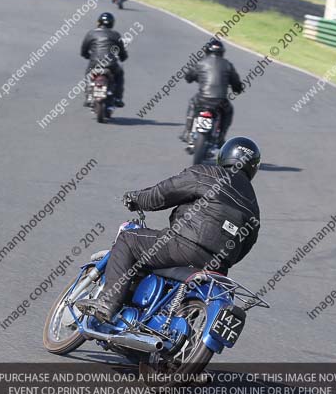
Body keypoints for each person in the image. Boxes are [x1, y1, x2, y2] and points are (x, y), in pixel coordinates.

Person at [76, 137, 262, 324]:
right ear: (254, 167)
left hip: (183, 246)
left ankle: (107, 303)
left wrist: (137, 199)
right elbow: (246, 246)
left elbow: (164, 193)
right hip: (218, 267)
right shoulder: (254, 204)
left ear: (224, 156)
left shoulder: (209, 173)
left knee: (128, 239)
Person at [181, 39, 244, 146]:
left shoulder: (201, 63)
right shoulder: (228, 64)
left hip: (202, 99)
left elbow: (189, 76)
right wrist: (237, 89)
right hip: (220, 102)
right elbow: (236, 82)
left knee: (192, 103)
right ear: (222, 52)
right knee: (229, 111)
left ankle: (187, 132)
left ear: (207, 51)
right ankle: (220, 137)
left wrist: (191, 78)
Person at [80, 12, 128, 107]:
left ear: (99, 22)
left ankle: (89, 96)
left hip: (94, 63)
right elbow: (122, 52)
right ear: (111, 23)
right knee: (120, 73)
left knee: (88, 74)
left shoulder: (91, 33)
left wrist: (87, 56)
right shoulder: (116, 35)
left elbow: (83, 50)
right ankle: (118, 98)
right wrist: (123, 57)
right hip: (111, 64)